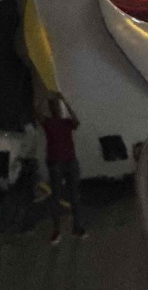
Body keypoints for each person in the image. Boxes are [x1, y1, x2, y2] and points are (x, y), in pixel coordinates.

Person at [40, 93, 86, 242]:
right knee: (56, 197)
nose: (57, 108)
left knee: (74, 196)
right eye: (54, 106)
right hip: (56, 162)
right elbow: (37, 113)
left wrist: (65, 102)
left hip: (70, 161)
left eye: (58, 106)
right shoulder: (48, 122)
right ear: (51, 109)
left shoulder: (67, 122)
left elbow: (77, 123)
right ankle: (56, 230)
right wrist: (44, 99)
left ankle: (77, 228)